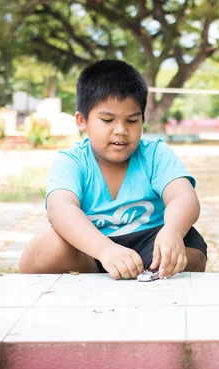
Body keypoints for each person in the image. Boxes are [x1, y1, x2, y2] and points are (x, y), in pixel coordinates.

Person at [19, 60, 207, 279]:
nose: (121, 130)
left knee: (188, 252)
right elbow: (60, 210)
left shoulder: (155, 153)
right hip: (92, 247)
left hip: (152, 242)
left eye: (132, 120)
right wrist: (104, 250)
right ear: (82, 120)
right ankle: (103, 275)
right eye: (107, 120)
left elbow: (184, 197)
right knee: (45, 248)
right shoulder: (72, 161)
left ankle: (152, 276)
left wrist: (172, 230)